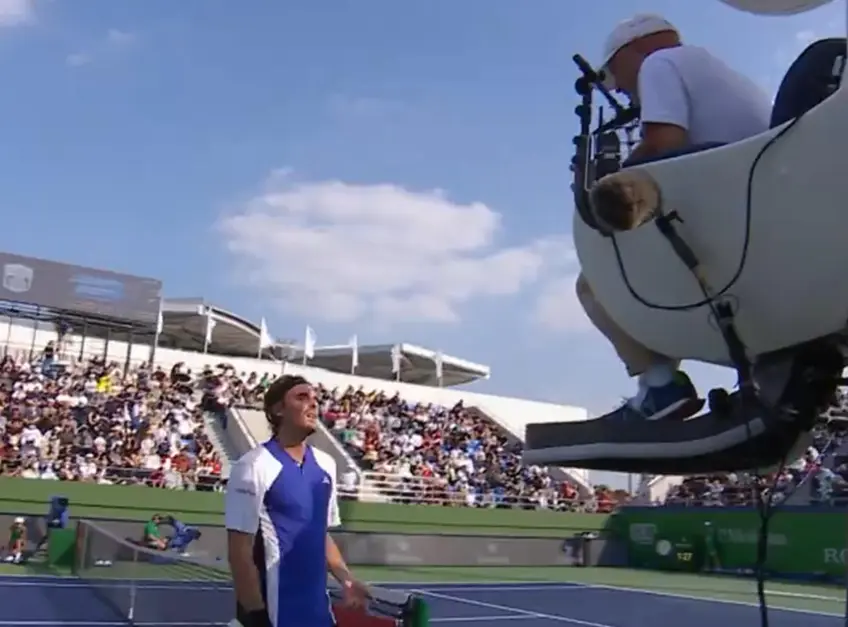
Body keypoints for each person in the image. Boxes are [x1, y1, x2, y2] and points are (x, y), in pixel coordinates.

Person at [576, 14, 772, 421]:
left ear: (633, 51)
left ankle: (660, 385)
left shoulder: (660, 64)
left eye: (619, 77)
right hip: (757, 223)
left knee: (594, 281)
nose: (628, 94)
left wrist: (609, 184)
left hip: (730, 236)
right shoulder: (728, 75)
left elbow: (665, 141)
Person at [225, 375, 369, 627]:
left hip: (318, 615)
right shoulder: (254, 465)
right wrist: (257, 617)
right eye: (302, 397)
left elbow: (319, 533)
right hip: (274, 615)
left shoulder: (326, 464)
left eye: (315, 399)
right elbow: (240, 553)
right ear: (278, 410)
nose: (313, 404)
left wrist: (346, 579)